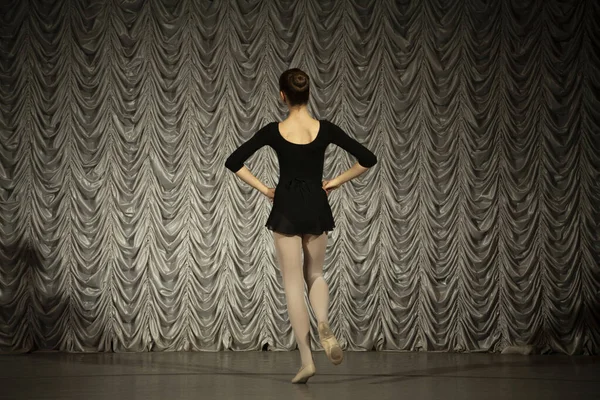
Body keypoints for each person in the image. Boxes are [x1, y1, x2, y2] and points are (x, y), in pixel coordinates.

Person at [224, 68, 377, 383]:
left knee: (293, 284)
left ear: (283, 96)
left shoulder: (273, 130)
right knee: (316, 274)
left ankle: (307, 361)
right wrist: (333, 182)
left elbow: (234, 161)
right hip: (316, 205)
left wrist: (265, 189)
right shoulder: (325, 129)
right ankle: (323, 321)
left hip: (287, 206)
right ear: (308, 94)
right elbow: (366, 158)